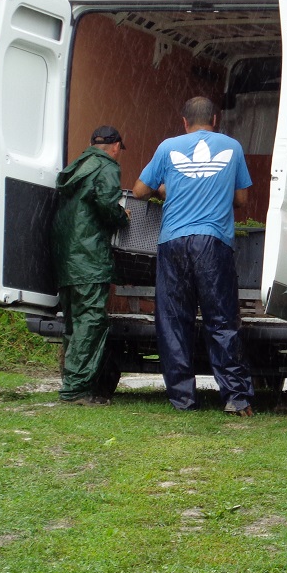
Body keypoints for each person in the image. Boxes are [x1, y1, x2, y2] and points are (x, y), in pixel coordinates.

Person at [132, 97, 256, 416]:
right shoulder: (233, 147)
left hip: (173, 242)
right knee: (221, 320)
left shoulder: (167, 147)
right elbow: (241, 199)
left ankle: (183, 400)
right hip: (213, 243)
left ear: (184, 122)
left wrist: (165, 188)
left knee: (174, 321)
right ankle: (236, 398)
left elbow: (138, 191)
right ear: (214, 119)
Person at [51, 125, 131, 406]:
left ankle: (72, 383)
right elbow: (107, 206)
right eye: (120, 149)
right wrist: (124, 216)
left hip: (67, 260)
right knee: (90, 322)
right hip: (89, 259)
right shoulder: (106, 167)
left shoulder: (77, 167)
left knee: (74, 323)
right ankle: (76, 391)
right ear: (115, 146)